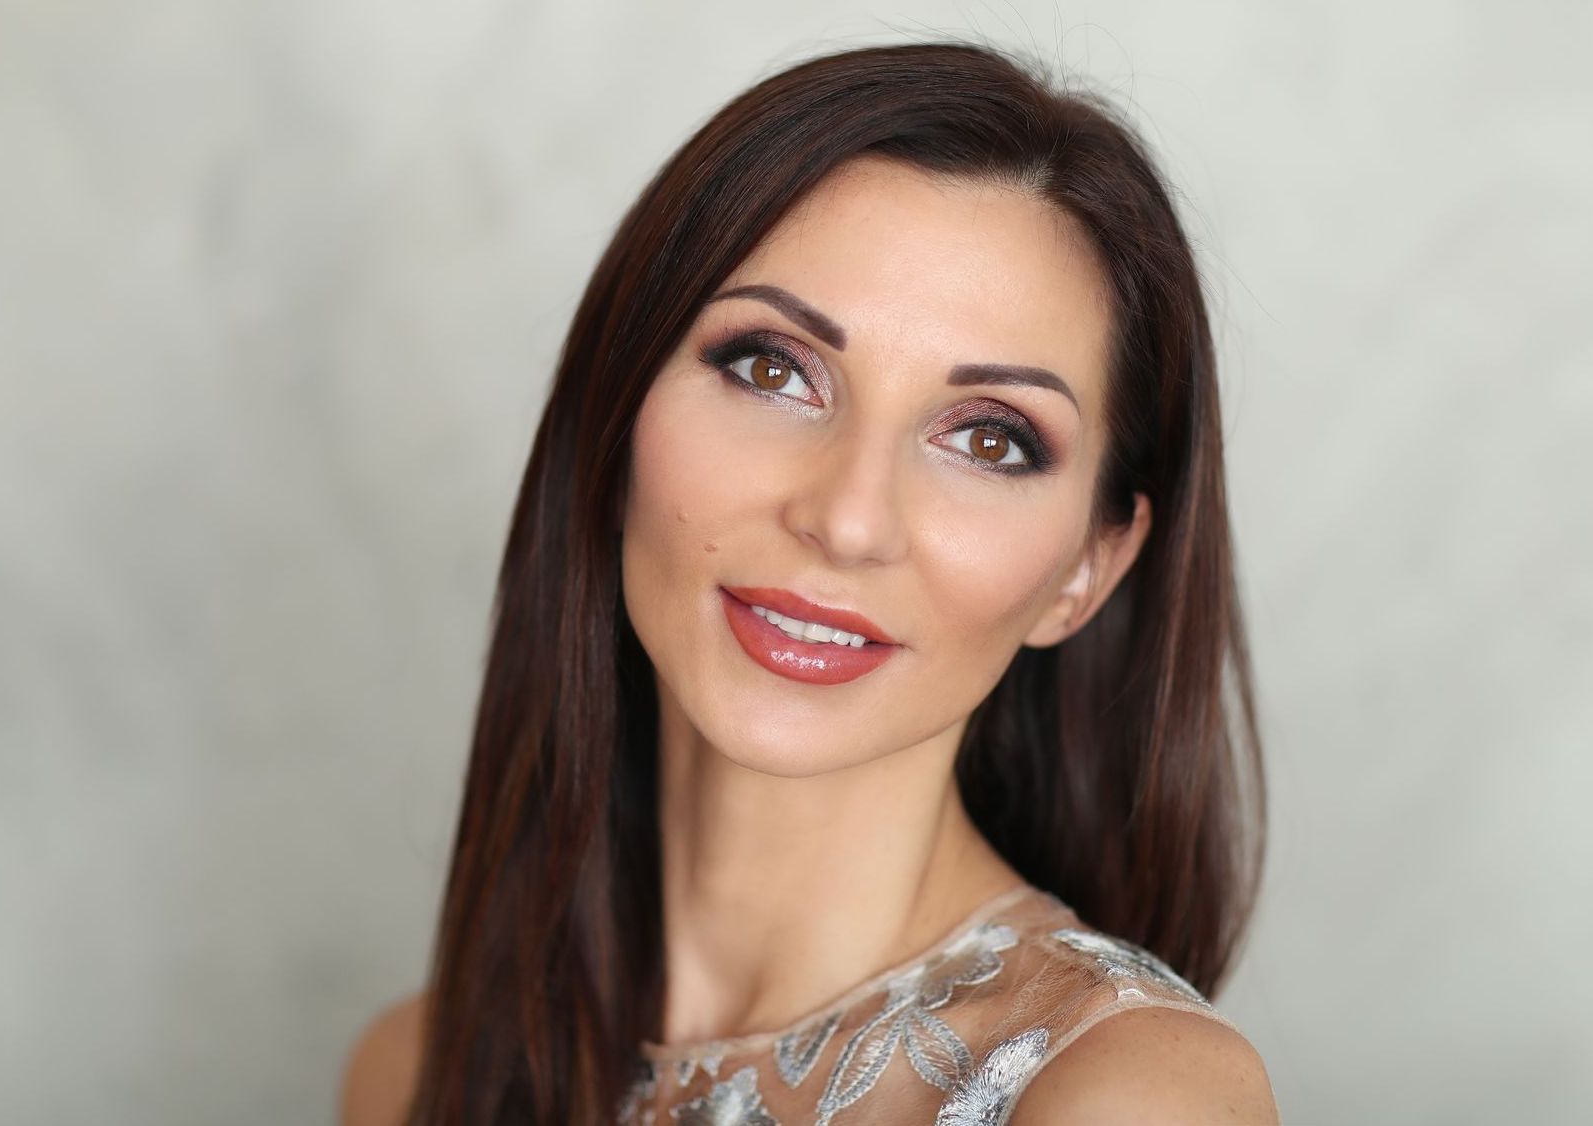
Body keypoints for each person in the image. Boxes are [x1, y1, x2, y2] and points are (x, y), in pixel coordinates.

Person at [341, 39, 1276, 1125]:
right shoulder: (409, 1070)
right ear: (618, 407)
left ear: (1087, 568)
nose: (845, 518)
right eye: (774, 369)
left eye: (987, 440)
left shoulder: (1125, 1095)